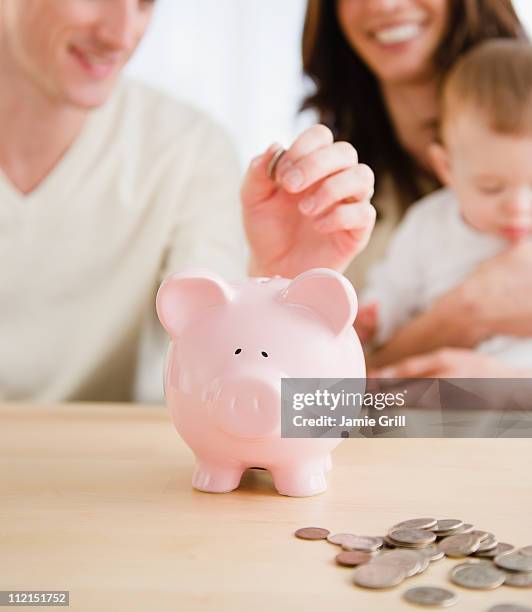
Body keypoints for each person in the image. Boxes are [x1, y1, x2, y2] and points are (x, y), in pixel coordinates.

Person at [0, 0, 375, 402]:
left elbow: (228, 389)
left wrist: (276, 293)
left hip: (100, 458)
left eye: (145, 3)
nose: (121, 35)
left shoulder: (187, 149)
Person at [302, 0, 532, 377]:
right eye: (491, 187)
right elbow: (311, 394)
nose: (386, 4)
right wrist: (380, 315)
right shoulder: (419, 220)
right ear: (446, 167)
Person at [359, 40, 532, 375]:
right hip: (443, 392)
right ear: (446, 167)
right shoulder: (429, 223)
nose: (519, 207)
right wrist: (373, 318)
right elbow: (394, 286)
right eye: (491, 187)